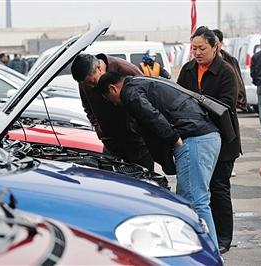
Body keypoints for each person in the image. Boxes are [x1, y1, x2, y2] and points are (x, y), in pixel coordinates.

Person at [97, 71, 221, 247]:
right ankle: (208, 251)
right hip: (204, 136)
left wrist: (174, 139)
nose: (114, 104)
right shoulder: (142, 82)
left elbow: (151, 116)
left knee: (194, 203)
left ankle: (208, 254)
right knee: (195, 201)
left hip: (194, 139)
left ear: (113, 88)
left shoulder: (130, 93)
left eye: (110, 99)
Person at [177, 26, 241, 254]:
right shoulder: (188, 69)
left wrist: (197, 107)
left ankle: (223, 237)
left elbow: (226, 106)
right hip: (194, 136)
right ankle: (201, 233)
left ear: (216, 47)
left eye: (202, 48)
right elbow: (178, 97)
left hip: (223, 139)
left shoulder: (226, 71)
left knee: (219, 187)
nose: (197, 52)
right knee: (198, 190)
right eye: (194, 48)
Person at [71, 53, 154, 171]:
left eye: (93, 82)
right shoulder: (85, 82)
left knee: (144, 184)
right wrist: (99, 130)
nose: (91, 86)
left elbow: (149, 99)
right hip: (111, 146)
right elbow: (88, 109)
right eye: (87, 84)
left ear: (99, 67)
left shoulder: (124, 69)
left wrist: (139, 129)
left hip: (138, 144)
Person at [213, 29, 247, 111]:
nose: (213, 46)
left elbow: (239, 81)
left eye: (215, 43)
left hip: (228, 102)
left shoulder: (231, 60)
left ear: (221, 43)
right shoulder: (204, 62)